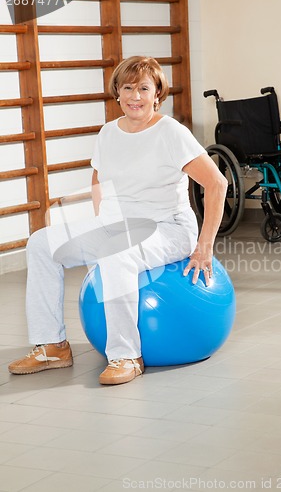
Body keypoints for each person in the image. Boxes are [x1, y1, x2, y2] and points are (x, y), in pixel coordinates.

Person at [8, 56, 227, 385]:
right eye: (128, 88)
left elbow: (216, 183)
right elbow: (99, 181)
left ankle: (127, 356)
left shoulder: (171, 132)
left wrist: (204, 246)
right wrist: (100, 227)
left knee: (115, 252)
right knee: (41, 243)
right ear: (117, 92)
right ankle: (52, 345)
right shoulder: (109, 132)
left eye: (143, 88)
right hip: (118, 225)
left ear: (157, 94)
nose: (135, 96)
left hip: (168, 228)